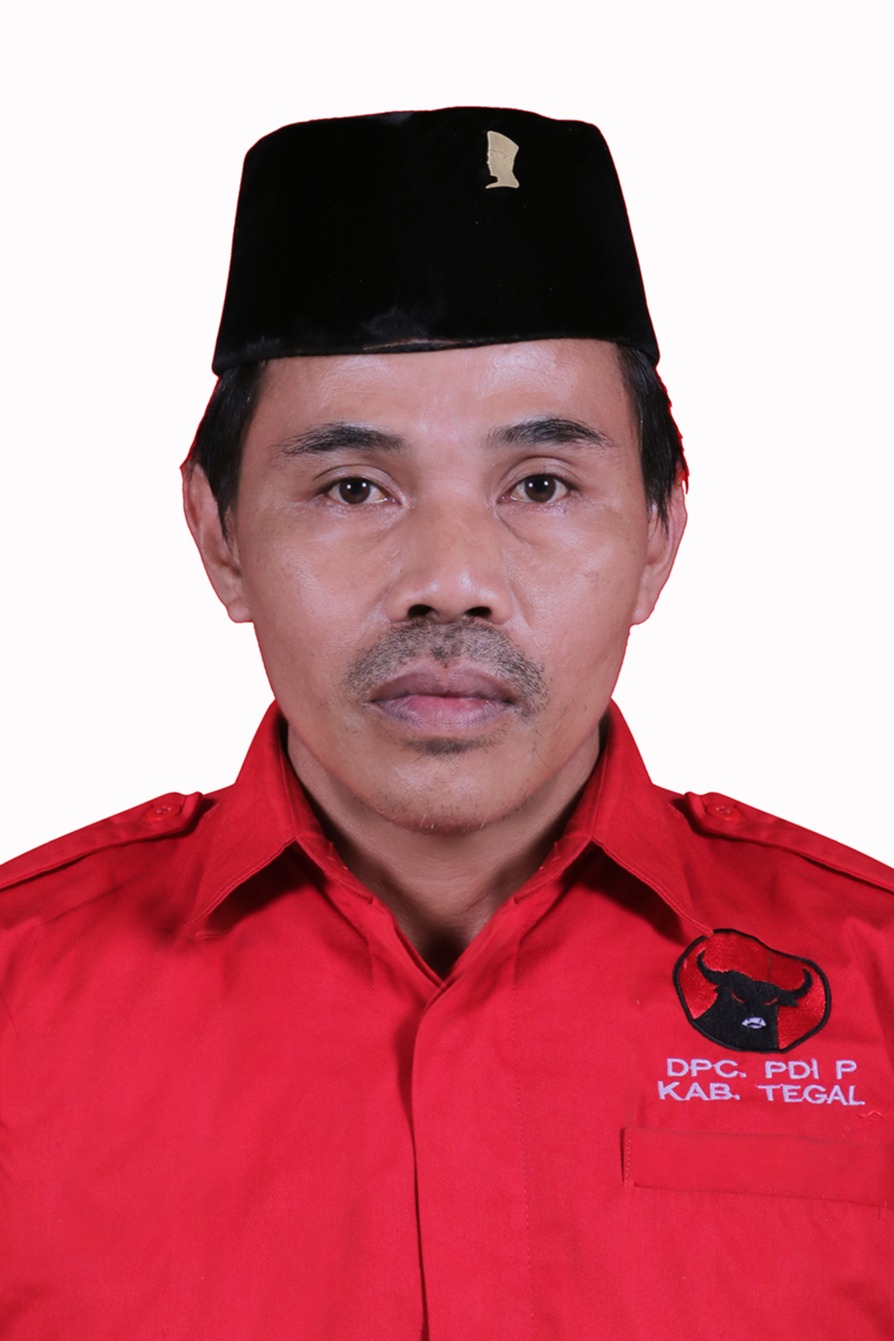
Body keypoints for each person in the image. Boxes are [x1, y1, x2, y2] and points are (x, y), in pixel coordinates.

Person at [1, 107, 891, 1339]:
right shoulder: (20, 1005)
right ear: (220, 536)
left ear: (658, 535)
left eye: (542, 484)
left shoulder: (875, 987)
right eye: (352, 486)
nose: (452, 578)